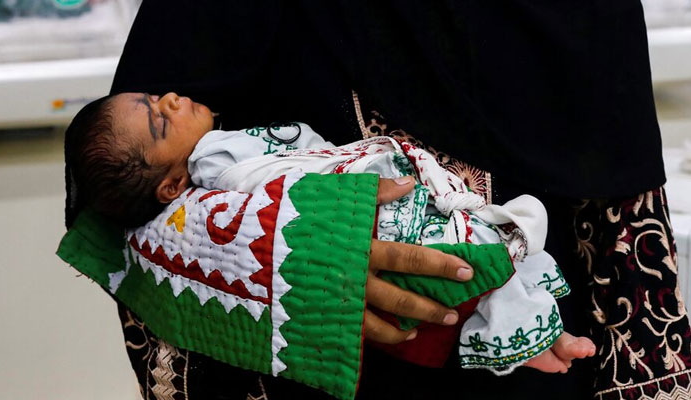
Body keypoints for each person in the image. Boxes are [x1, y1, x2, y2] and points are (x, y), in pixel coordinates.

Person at [67, 1, 690, 398]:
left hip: (536, 351)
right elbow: (117, 200)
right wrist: (292, 256)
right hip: (315, 368)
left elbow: (625, 229)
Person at [64, 90, 595, 375]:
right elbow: (121, 224)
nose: (173, 98)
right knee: (477, 262)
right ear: (172, 183)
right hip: (362, 257)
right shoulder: (214, 162)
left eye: (159, 96)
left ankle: (541, 336)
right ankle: (537, 336)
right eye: (160, 118)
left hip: (405, 232)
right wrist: (315, 247)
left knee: (487, 271)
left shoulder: (212, 149)